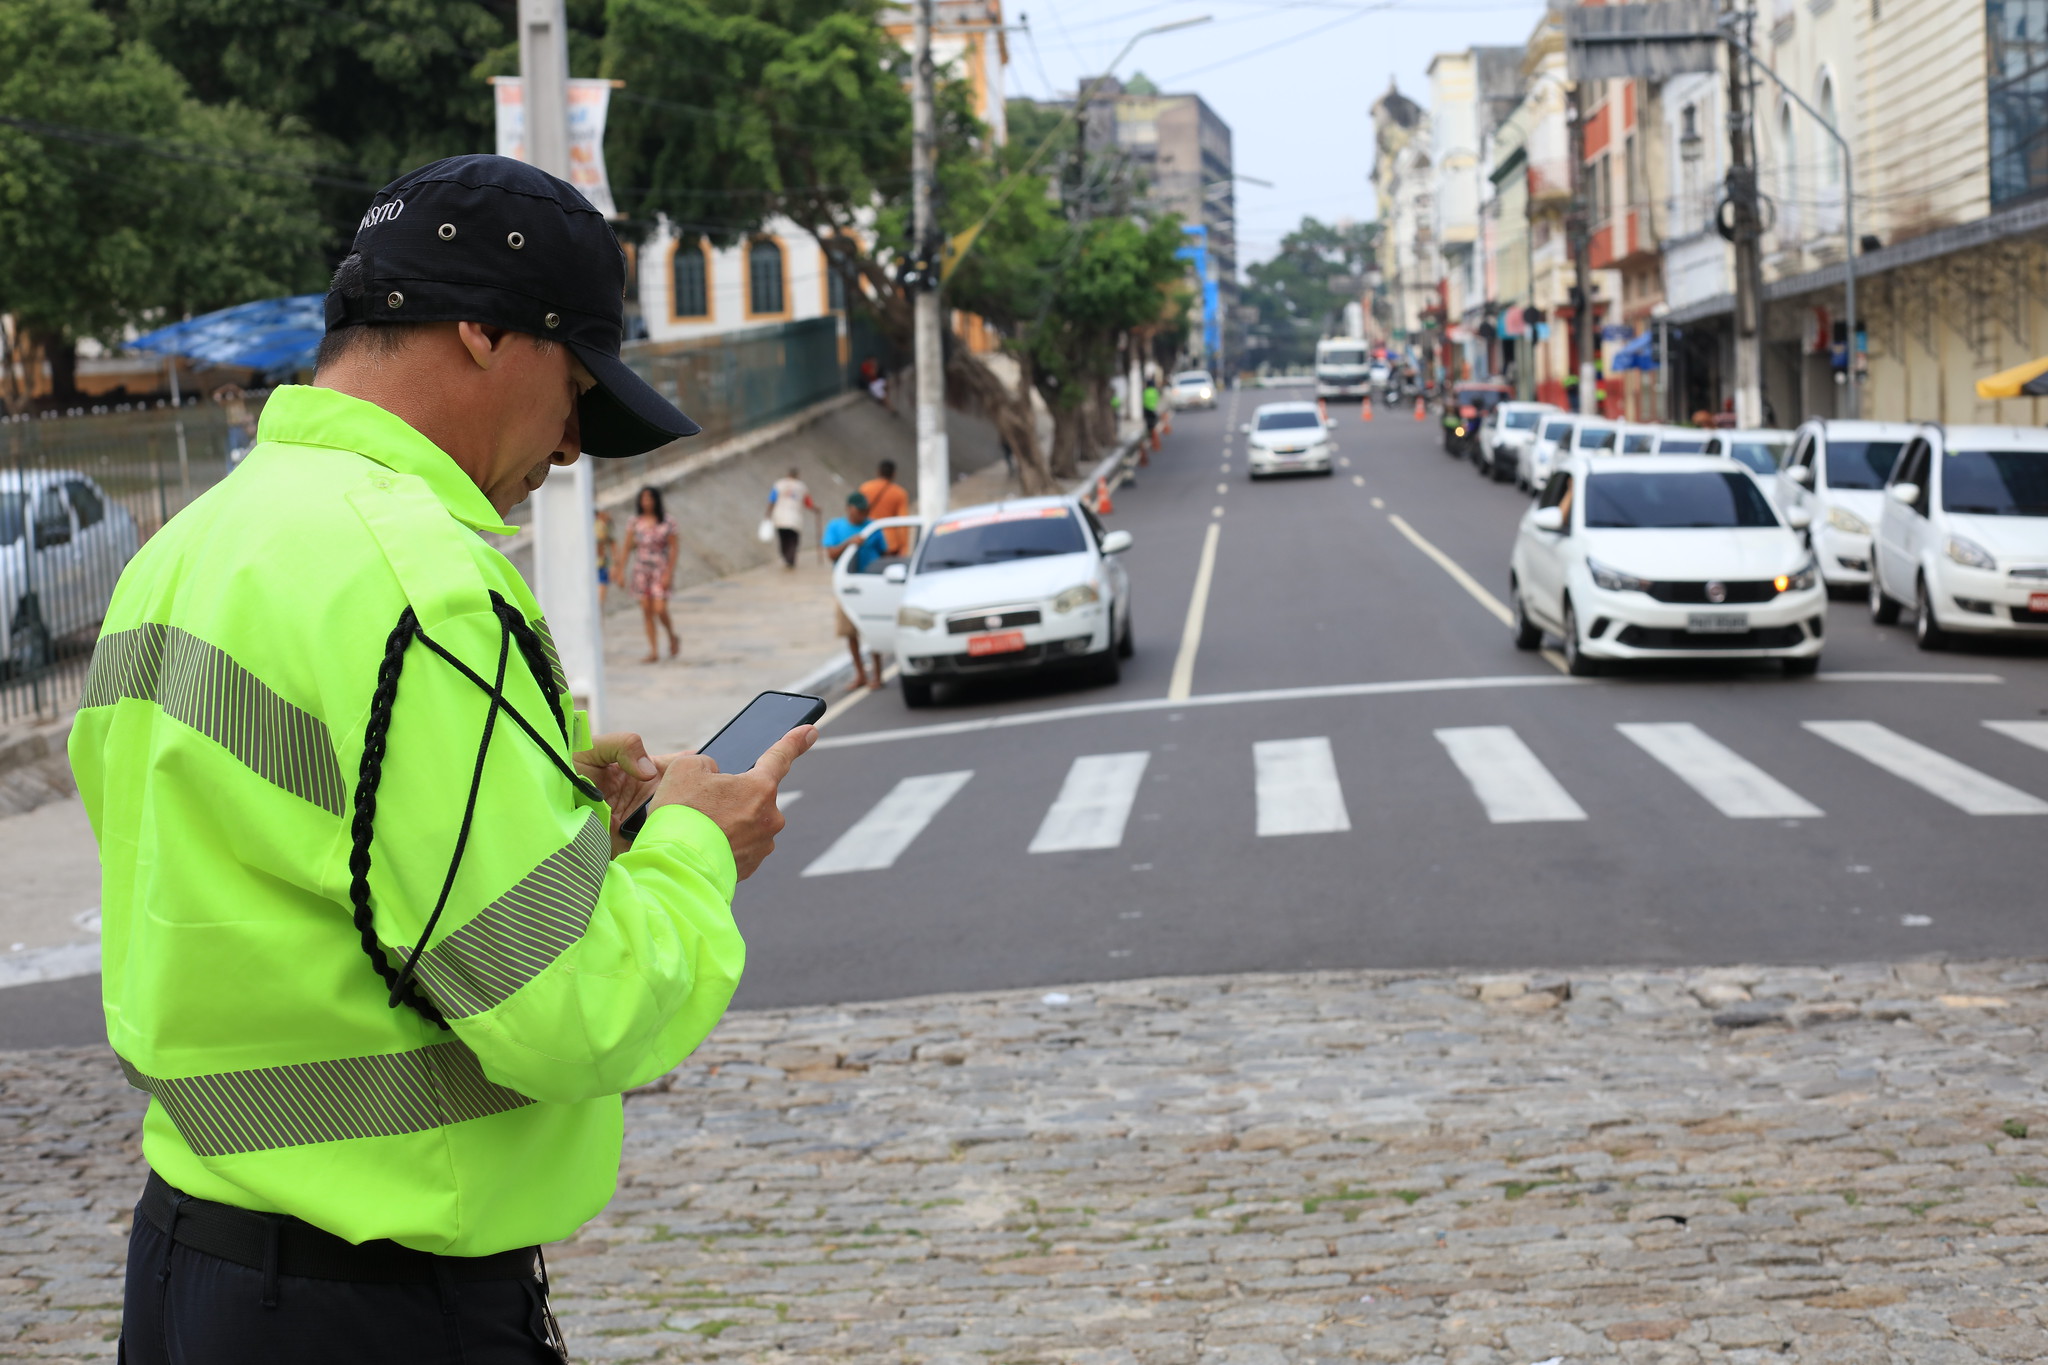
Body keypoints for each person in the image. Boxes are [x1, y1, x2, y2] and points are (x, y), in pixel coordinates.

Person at [67, 154, 816, 1363]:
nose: (574, 445)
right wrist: (690, 845)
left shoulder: (192, 546)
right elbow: (574, 1011)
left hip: (189, 1270)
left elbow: (285, 857)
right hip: (373, 1309)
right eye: (577, 386)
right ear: (483, 332)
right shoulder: (420, 582)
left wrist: (555, 807)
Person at [823, 490, 887, 689]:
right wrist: (849, 543)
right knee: (850, 633)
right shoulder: (835, 526)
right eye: (860, 511)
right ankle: (860, 674)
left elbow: (884, 553)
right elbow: (831, 553)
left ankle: (877, 674)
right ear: (849, 509)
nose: (863, 514)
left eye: (866, 510)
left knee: (872, 629)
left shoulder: (873, 527)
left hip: (870, 586)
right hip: (847, 586)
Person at [627, 484, 679, 662]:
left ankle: (672, 635)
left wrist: (669, 573)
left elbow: (674, 548)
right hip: (641, 571)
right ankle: (654, 650)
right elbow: (627, 547)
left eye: (650, 498)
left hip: (660, 570)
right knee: (646, 611)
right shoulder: (635, 522)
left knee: (660, 608)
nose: (646, 502)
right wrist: (618, 569)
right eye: (643, 498)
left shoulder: (667, 521)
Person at [765, 467, 818, 569]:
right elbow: (808, 503)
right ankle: (790, 558)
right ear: (797, 475)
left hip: (780, 517)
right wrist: (816, 509)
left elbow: (772, 500)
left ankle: (786, 557)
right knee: (793, 540)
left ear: (788, 474)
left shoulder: (779, 484)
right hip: (794, 519)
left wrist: (768, 513)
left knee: (783, 538)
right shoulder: (802, 487)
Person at [859, 458, 910, 556]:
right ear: (894, 474)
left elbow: (858, 514)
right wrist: (904, 547)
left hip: (869, 537)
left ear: (878, 471)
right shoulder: (899, 493)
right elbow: (903, 522)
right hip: (890, 543)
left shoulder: (865, 488)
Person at [594, 504, 616, 608]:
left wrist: (614, 566)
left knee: (598, 604)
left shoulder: (603, 519)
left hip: (600, 566)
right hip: (581, 568)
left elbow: (612, 543)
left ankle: (598, 624)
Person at [1142, 375, 1162, 454]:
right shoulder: (1155, 391)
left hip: (1147, 410)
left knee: (1149, 426)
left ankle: (1150, 438)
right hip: (1154, 410)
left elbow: (1142, 401)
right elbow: (1158, 400)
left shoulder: (1145, 392)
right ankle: (1154, 438)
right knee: (1154, 425)